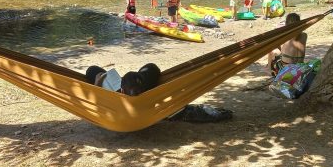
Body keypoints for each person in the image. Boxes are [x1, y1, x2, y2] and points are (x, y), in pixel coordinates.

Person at [85, 63, 232, 122]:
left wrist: (98, 82)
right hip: (141, 89)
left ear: (122, 90)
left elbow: (96, 101)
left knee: (92, 70)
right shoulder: (149, 96)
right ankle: (137, 78)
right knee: (150, 68)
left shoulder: (115, 98)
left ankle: (130, 79)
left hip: (122, 93)